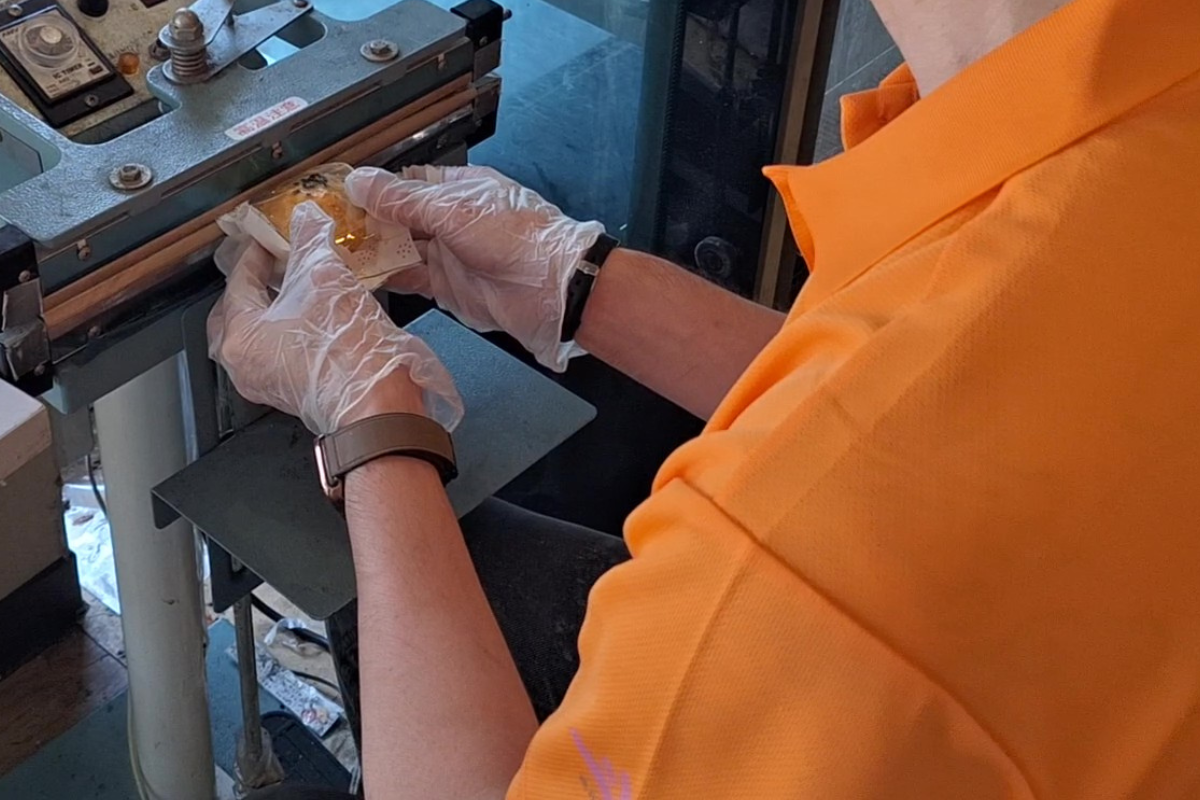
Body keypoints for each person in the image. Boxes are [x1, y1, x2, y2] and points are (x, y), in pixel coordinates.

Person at [216, 0, 1200, 795]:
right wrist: (579, 282)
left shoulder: (798, 577)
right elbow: (949, 406)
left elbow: (870, 474)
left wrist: (370, 420)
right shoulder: (1128, 127)